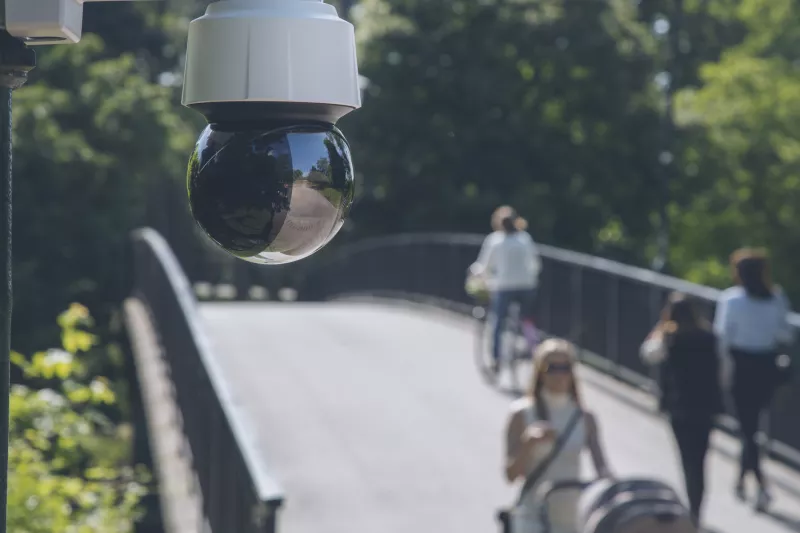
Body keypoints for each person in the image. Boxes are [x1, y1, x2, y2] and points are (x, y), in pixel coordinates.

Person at [504, 339, 612, 533]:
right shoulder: (521, 414)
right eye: (552, 368)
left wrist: (613, 486)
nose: (559, 375)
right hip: (532, 516)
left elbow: (601, 467)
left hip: (572, 519)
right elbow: (511, 474)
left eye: (565, 368)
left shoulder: (585, 418)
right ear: (540, 372)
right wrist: (528, 444)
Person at [714, 248, 793, 511]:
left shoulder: (732, 300)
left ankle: (759, 485)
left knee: (747, 428)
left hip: (741, 366)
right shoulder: (776, 297)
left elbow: (722, 337)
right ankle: (741, 479)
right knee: (752, 426)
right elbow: (785, 334)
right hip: (766, 366)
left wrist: (722, 371)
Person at [640, 292, 723, 527]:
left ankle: (692, 506)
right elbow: (722, 368)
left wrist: (660, 328)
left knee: (687, 458)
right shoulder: (709, 337)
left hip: (679, 406)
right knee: (700, 458)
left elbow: (648, 355)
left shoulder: (668, 339)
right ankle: (697, 506)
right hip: (706, 406)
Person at [471, 206, 541, 373]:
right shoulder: (525, 239)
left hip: (504, 286)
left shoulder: (495, 240)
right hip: (527, 285)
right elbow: (536, 264)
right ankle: (533, 348)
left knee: (498, 322)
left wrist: (477, 275)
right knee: (527, 319)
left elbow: (484, 267)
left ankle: (496, 359)